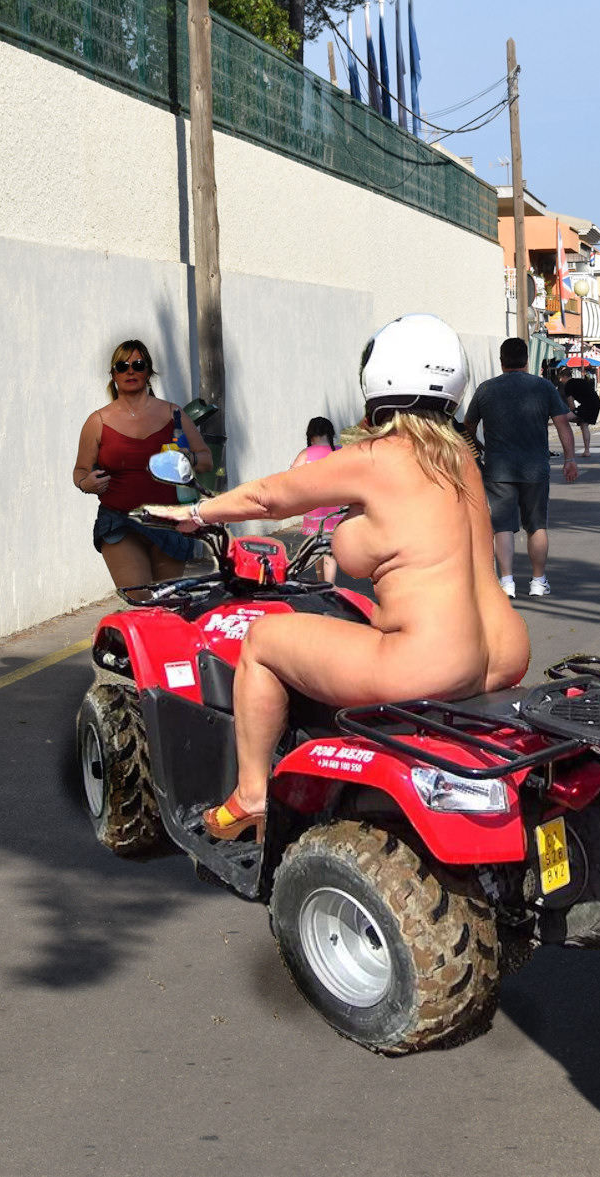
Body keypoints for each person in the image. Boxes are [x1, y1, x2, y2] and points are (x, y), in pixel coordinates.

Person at [143, 314, 530, 841]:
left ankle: (253, 793)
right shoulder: (460, 455)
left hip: (430, 664)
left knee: (261, 641)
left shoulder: (377, 456)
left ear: (379, 384)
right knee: (362, 615)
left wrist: (197, 513)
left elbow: (269, 496)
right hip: (503, 651)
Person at [72, 340, 214, 598]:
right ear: (113, 374)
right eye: (122, 366)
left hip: (169, 520)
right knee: (140, 597)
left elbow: (206, 459)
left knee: (164, 601)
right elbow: (80, 471)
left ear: (148, 372)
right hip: (120, 520)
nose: (130, 371)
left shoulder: (174, 414)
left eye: (138, 365)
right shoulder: (98, 421)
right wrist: (87, 483)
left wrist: (187, 457)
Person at [463, 337, 579, 599]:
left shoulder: (486, 389)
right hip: (535, 468)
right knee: (536, 526)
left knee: (502, 527)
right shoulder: (544, 387)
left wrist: (478, 444)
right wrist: (570, 459)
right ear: (527, 360)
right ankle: (538, 582)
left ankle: (507, 583)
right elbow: (563, 424)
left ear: (501, 361)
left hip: (498, 469)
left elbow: (468, 425)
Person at [289, 416, 345, 583]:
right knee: (329, 549)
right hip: (335, 507)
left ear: (310, 435)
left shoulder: (306, 454)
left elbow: (291, 477)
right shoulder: (340, 451)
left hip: (315, 507)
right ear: (330, 434)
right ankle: (326, 584)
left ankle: (324, 584)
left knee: (318, 546)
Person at [562, 366, 600, 457]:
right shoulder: (579, 381)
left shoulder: (568, 385)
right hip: (596, 403)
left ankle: (569, 449)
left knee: (564, 419)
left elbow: (571, 404)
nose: (561, 381)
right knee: (584, 425)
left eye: (561, 379)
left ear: (564, 377)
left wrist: (574, 414)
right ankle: (587, 451)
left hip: (587, 405)